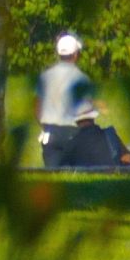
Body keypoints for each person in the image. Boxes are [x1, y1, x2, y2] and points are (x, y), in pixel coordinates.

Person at [35, 33, 90, 167]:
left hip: (50, 133)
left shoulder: (45, 77)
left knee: (53, 180)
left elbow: (37, 107)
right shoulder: (81, 79)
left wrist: (45, 126)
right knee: (75, 179)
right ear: (76, 54)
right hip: (74, 133)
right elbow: (86, 115)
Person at [51, 82, 130, 168]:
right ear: (93, 116)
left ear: (76, 119)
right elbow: (127, 159)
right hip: (113, 180)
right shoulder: (111, 136)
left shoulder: (70, 145)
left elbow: (60, 169)